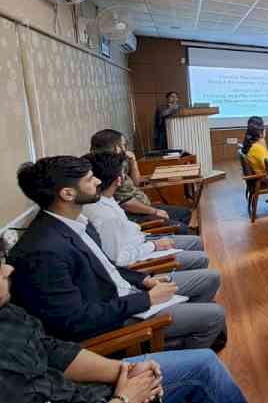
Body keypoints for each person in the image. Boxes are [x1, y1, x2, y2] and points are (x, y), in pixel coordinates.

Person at [10, 156, 226, 350]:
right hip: (117, 318)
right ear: (67, 194)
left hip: (128, 293)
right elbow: (74, 321)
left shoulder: (75, 223)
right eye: (89, 179)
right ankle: (167, 357)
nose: (97, 182)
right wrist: (145, 300)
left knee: (210, 279)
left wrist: (145, 281)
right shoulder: (43, 251)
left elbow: (108, 267)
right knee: (214, 316)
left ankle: (179, 331)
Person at [0, 237, 248, 403]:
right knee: (206, 353)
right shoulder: (47, 247)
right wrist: (125, 399)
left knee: (205, 361)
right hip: (107, 396)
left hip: (89, 384)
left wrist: (122, 370)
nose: (8, 270)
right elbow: (75, 321)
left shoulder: (7, 312)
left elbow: (54, 350)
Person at [81, 151, 209, 270]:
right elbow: (118, 260)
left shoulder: (104, 199)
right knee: (202, 260)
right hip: (141, 255)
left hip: (141, 239)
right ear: (119, 179)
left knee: (196, 240)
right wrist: (154, 245)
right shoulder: (106, 216)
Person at [90, 130, 192, 234]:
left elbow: (136, 183)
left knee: (185, 213)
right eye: (123, 145)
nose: (125, 149)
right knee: (181, 228)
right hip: (134, 214)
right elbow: (126, 203)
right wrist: (154, 211)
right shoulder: (105, 169)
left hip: (144, 207)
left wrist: (133, 162)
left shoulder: (119, 162)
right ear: (115, 147)